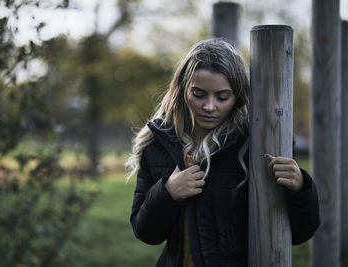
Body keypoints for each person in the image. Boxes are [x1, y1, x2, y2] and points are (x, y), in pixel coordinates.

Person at [125, 39, 320, 267]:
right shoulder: (158, 144)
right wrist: (168, 193)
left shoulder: (256, 145)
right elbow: (146, 233)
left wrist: (299, 187)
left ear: (237, 97)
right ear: (182, 89)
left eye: (222, 97)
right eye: (199, 94)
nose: (209, 106)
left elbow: (301, 234)